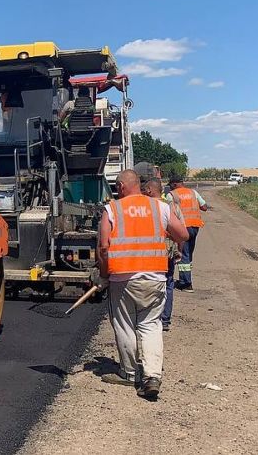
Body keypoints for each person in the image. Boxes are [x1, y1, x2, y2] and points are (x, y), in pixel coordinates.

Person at [97, 169, 189, 399]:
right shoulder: (160, 207)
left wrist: (104, 275)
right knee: (151, 325)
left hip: (122, 279)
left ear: (120, 186)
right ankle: (152, 376)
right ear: (139, 185)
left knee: (125, 325)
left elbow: (103, 247)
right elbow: (183, 235)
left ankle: (129, 373)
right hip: (155, 277)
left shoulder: (112, 209)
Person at [143, 178, 184, 331]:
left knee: (149, 284)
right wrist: (179, 250)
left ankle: (149, 318)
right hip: (167, 253)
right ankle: (165, 320)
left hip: (148, 254)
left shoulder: (145, 208)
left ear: (149, 190)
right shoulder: (172, 207)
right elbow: (182, 232)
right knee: (168, 285)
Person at [169, 174, 208, 292]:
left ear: (174, 184)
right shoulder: (193, 192)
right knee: (189, 253)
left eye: (171, 185)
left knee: (183, 254)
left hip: (182, 228)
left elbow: (168, 212)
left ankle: (186, 283)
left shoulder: (172, 195)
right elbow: (204, 207)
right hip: (195, 226)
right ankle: (186, 277)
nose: (170, 188)